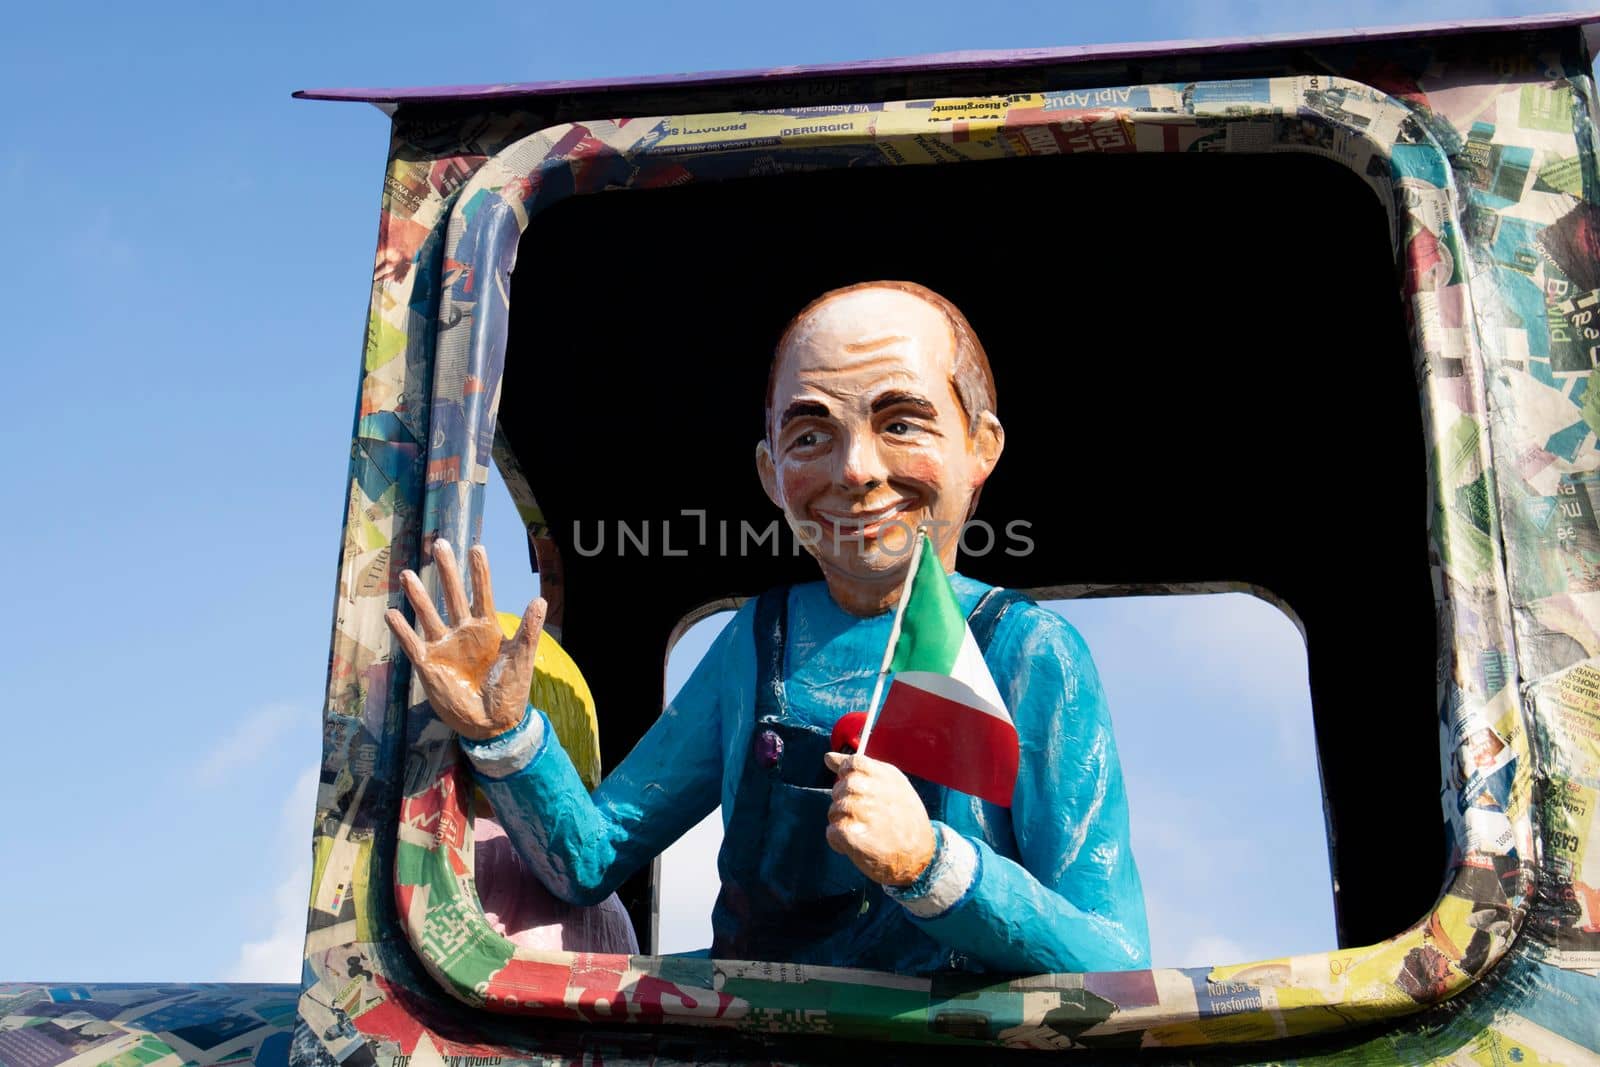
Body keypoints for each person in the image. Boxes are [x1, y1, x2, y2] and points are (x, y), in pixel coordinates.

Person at [387, 281, 1150, 975]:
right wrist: (505, 736)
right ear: (768, 470)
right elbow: (588, 859)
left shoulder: (1030, 653)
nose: (855, 469)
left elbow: (1115, 964)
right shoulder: (757, 643)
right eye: (811, 435)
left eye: (901, 422)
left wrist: (933, 862)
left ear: (980, 446)